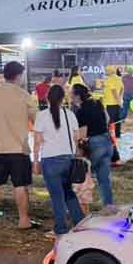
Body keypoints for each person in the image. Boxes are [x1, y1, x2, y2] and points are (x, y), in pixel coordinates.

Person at [0, 61, 38, 229]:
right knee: (20, 185)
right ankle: (23, 220)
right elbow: (37, 121)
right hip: (18, 148)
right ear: (19, 75)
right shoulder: (24, 95)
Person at [33, 85, 85, 239]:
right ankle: (79, 223)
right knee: (68, 193)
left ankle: (60, 229)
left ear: (47, 98)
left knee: (57, 196)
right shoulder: (70, 115)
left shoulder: (42, 116)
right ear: (63, 99)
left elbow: (37, 142)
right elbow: (76, 139)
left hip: (50, 160)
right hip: (67, 159)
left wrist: (35, 162)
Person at [71, 84, 114, 207]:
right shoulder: (97, 103)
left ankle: (82, 207)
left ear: (78, 96)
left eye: (72, 95)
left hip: (94, 144)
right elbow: (108, 118)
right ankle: (109, 206)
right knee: (104, 179)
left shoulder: (81, 111)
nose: (70, 98)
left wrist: (78, 149)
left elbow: (83, 135)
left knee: (83, 177)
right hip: (107, 141)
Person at [103, 66, 124, 138]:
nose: (106, 72)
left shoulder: (109, 79)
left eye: (107, 70)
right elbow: (122, 88)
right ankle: (117, 134)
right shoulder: (118, 78)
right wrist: (120, 99)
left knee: (111, 120)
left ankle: (111, 135)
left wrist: (118, 100)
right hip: (116, 103)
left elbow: (114, 91)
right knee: (117, 119)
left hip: (110, 103)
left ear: (110, 71)